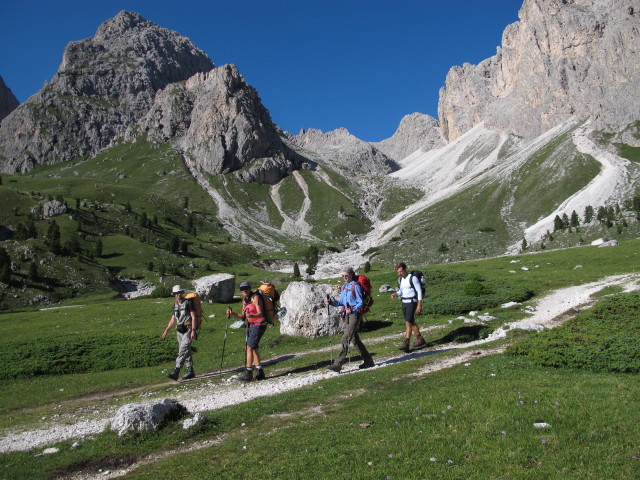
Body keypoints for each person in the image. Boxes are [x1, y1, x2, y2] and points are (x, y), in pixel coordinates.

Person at [325, 266, 375, 372]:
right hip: (347, 315)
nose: (344, 277)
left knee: (346, 338)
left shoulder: (356, 286)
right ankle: (368, 361)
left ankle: (338, 364)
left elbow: (360, 302)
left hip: (354, 315)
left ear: (352, 275)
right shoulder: (344, 287)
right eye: (343, 276)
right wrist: (332, 303)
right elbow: (341, 302)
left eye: (346, 275)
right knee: (354, 339)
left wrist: (352, 310)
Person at [227, 281, 268, 381]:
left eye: (246, 288)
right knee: (253, 347)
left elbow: (260, 313)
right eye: (242, 289)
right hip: (251, 325)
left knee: (249, 347)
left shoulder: (255, 297)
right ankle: (259, 372)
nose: (244, 291)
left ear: (250, 288)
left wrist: (252, 316)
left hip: (259, 324)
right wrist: (232, 314)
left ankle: (248, 373)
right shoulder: (244, 301)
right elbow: (243, 316)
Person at [162, 285, 197, 380]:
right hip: (179, 331)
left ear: (182, 292)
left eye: (179, 292)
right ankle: (190, 371)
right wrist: (166, 330)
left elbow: (193, 317)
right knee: (186, 350)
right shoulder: (175, 305)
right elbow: (173, 319)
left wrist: (193, 330)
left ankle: (176, 370)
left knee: (183, 349)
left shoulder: (189, 302)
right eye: (176, 293)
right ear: (174, 294)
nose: (178, 295)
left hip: (188, 328)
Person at [391, 262, 426, 351]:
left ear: (405, 269)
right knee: (411, 321)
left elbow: (419, 291)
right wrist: (396, 294)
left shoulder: (413, 278)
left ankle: (406, 342)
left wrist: (419, 304)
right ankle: (420, 339)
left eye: (401, 271)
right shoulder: (400, 280)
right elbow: (401, 291)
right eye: (398, 272)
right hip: (404, 302)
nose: (400, 273)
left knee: (408, 322)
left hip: (412, 301)